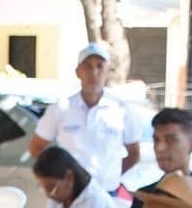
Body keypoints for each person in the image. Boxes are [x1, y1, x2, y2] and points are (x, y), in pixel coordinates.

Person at [28, 42, 142, 195]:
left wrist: (111, 176)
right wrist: (58, 175)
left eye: (100, 66)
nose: (94, 72)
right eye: (87, 66)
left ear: (108, 71)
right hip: (71, 195)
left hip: (107, 193)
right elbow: (36, 147)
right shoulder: (61, 108)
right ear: (78, 71)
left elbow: (134, 154)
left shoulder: (123, 110)